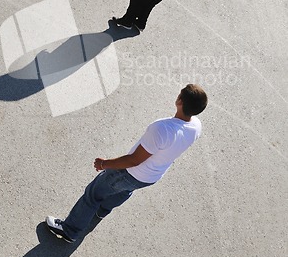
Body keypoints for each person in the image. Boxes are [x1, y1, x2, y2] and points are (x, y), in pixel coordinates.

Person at [46, 84, 208, 243]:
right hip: (151, 176)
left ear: (179, 101)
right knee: (124, 191)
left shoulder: (162, 129)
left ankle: (69, 230)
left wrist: (105, 164)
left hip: (131, 172)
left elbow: (134, 160)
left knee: (94, 193)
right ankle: (101, 211)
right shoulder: (196, 126)